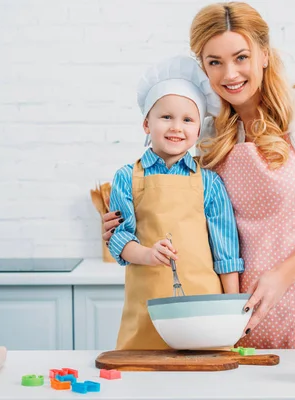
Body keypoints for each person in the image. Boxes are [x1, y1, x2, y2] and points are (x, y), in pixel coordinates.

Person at [103, 2, 295, 349]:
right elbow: (191, 214)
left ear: (264, 54)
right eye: (215, 62)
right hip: (246, 315)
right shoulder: (209, 131)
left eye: (241, 57)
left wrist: (279, 277)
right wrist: (123, 227)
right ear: (203, 67)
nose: (229, 74)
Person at [108, 54, 245, 350]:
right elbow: (119, 238)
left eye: (187, 119)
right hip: (146, 310)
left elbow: (226, 251)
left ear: (198, 129)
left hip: (205, 311)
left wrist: (235, 314)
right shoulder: (125, 178)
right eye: (166, 117)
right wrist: (147, 254)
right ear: (147, 123)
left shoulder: (210, 182)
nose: (176, 127)